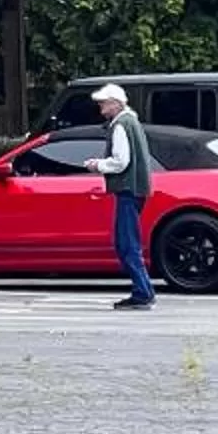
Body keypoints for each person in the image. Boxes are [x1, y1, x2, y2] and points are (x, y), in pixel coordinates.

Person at [91, 82, 158, 309]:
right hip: (137, 189)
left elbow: (121, 162)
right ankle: (144, 290)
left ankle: (142, 292)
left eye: (103, 102)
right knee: (128, 242)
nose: (100, 106)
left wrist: (98, 165)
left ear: (115, 103)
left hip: (128, 189)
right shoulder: (132, 122)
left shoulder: (120, 125)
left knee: (127, 243)